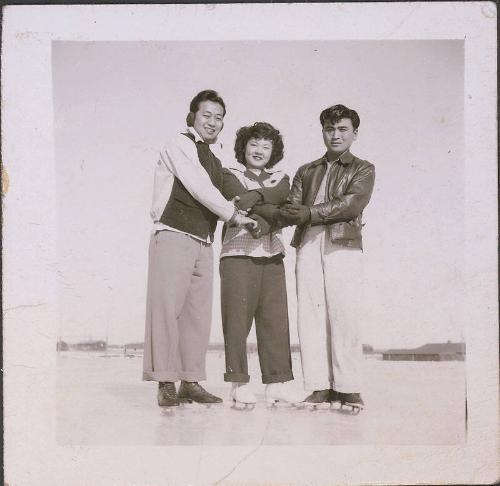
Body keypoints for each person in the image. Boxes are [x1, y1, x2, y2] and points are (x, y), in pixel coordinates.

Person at [142, 90, 257, 408]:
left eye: (219, 117)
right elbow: (198, 184)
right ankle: (165, 381)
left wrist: (259, 203)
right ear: (192, 116)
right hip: (173, 234)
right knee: (166, 310)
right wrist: (235, 214)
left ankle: (190, 381)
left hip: (203, 241)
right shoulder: (179, 143)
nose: (213, 122)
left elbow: (228, 184)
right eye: (207, 115)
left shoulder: (215, 158)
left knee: (196, 315)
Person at [279, 104, 375, 412]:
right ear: (323, 132)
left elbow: (351, 204)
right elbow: (292, 206)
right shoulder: (306, 170)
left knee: (344, 313)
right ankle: (319, 386)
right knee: (310, 313)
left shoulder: (363, 168)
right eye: (330, 129)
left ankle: (347, 388)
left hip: (342, 244)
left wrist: (308, 212)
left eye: (342, 129)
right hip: (308, 242)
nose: (335, 135)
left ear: (354, 134)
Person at [219, 122, 304, 408]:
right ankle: (238, 383)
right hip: (237, 254)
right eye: (254, 144)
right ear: (243, 147)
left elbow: (282, 207)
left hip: (272, 255)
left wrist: (252, 200)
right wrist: (268, 208)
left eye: (266, 146)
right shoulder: (228, 174)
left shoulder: (281, 177)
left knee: (275, 321)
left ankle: (277, 383)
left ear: (274, 152)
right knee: (237, 321)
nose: (259, 150)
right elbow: (238, 200)